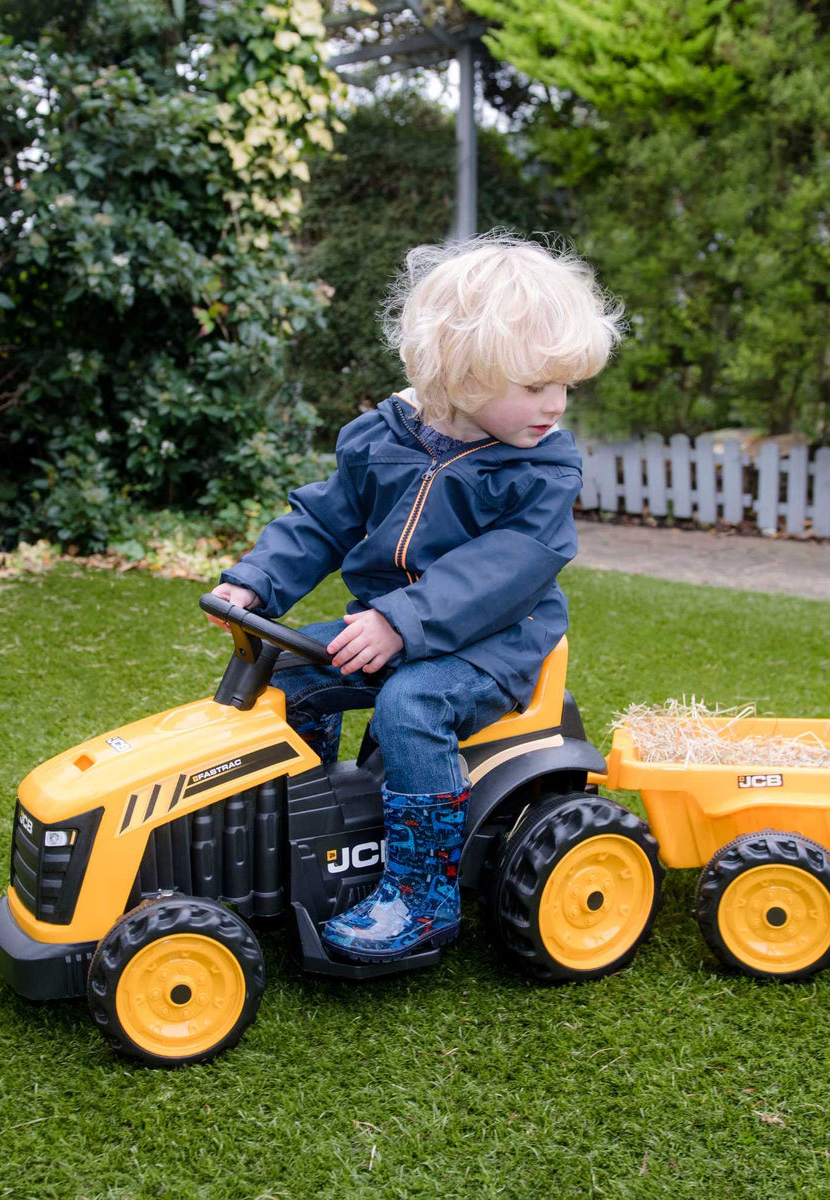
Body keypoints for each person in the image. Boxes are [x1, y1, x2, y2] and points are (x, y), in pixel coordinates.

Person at [208, 232, 623, 962]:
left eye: (567, 386)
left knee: (412, 704)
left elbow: (508, 565)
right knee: (289, 671)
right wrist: (257, 580)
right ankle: (301, 828)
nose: (556, 406)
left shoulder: (542, 467)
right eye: (535, 387)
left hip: (493, 641)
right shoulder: (382, 438)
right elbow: (323, 518)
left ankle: (421, 892)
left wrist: (401, 621)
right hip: (387, 626)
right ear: (460, 373)